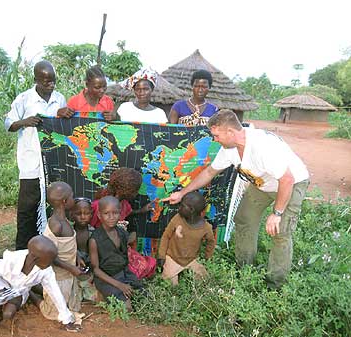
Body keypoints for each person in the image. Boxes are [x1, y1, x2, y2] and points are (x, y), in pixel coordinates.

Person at [164, 109, 309, 289]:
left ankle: (274, 285)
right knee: (244, 219)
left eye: (216, 135)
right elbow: (210, 172)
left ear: (230, 132)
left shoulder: (262, 147)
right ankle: (245, 270)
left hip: (291, 183)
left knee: (281, 233)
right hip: (263, 184)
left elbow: (287, 179)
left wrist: (277, 214)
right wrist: (182, 193)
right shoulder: (229, 148)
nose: (214, 139)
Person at [5, 60, 74, 250]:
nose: (50, 85)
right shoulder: (24, 99)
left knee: (52, 205)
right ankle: (23, 250)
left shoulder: (59, 98)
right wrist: (24, 122)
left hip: (53, 163)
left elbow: (64, 127)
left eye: (53, 81)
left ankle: (48, 248)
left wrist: (63, 114)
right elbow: (8, 124)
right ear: (36, 79)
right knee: (27, 208)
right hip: (31, 163)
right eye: (45, 81)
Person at [0, 235, 79, 330]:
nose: (51, 263)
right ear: (35, 258)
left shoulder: (46, 271)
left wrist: (67, 319)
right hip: (2, 284)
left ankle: (28, 293)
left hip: (19, 291)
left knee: (8, 314)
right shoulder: (11, 260)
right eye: (49, 260)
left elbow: (55, 292)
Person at [37, 182, 84, 320]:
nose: (74, 199)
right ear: (64, 201)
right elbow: (48, 256)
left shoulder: (64, 221)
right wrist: (70, 267)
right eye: (72, 197)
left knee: (71, 304)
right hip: (58, 277)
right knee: (53, 313)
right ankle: (30, 293)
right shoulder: (56, 225)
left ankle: (39, 288)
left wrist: (77, 256)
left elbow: (67, 245)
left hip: (68, 275)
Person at [89, 196, 143, 311]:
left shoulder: (122, 233)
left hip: (123, 273)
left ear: (120, 214)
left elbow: (124, 254)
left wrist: (125, 281)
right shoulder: (95, 240)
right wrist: (120, 285)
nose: (111, 217)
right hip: (106, 278)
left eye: (115, 213)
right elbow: (96, 270)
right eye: (106, 213)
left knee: (143, 297)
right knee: (127, 308)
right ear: (99, 215)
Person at [158, 191, 216, 286]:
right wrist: (161, 256)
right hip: (173, 258)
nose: (179, 208)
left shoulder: (206, 227)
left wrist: (207, 258)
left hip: (191, 259)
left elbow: (211, 242)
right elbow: (166, 236)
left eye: (182, 206)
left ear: (192, 210)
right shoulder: (177, 218)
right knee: (169, 285)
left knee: (204, 280)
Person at [71, 197, 97, 302]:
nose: (82, 217)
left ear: (91, 214)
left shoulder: (93, 232)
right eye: (78, 214)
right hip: (72, 269)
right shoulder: (69, 232)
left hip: (89, 271)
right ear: (72, 215)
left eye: (86, 214)